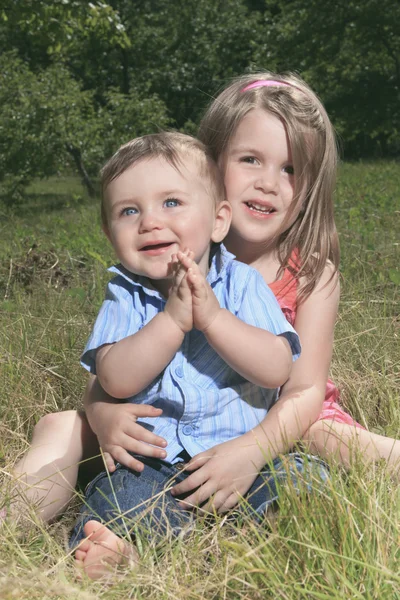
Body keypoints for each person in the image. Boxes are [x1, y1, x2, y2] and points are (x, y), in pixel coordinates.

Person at [5, 72, 398, 530]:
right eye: (250, 159)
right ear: (211, 164)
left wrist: (252, 450)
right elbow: (108, 373)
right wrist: (102, 412)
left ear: (310, 186)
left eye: (290, 169)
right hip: (168, 423)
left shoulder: (310, 274)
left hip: (280, 421)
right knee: (60, 425)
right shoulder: (161, 259)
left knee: (322, 437)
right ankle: (10, 528)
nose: (269, 182)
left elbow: (303, 391)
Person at [69, 130, 327, 578]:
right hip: (155, 464)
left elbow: (276, 368)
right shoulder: (125, 294)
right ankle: (127, 554)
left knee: (302, 481)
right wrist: (171, 321)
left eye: (171, 203)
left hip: (248, 458)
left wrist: (212, 319)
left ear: (218, 220)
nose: (150, 221)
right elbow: (115, 378)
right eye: (129, 210)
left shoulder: (241, 283)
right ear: (111, 236)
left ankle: (266, 539)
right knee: (119, 497)